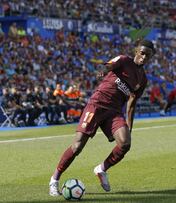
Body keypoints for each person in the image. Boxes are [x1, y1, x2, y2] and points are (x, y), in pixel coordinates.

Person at [49, 40, 156, 196]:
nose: (144, 56)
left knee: (125, 143)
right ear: (137, 51)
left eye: (148, 55)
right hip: (97, 105)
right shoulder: (124, 60)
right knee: (77, 146)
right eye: (143, 52)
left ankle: (101, 169)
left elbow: (132, 103)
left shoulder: (142, 79)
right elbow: (109, 65)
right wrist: (104, 70)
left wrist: (129, 127)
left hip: (114, 112)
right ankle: (54, 180)